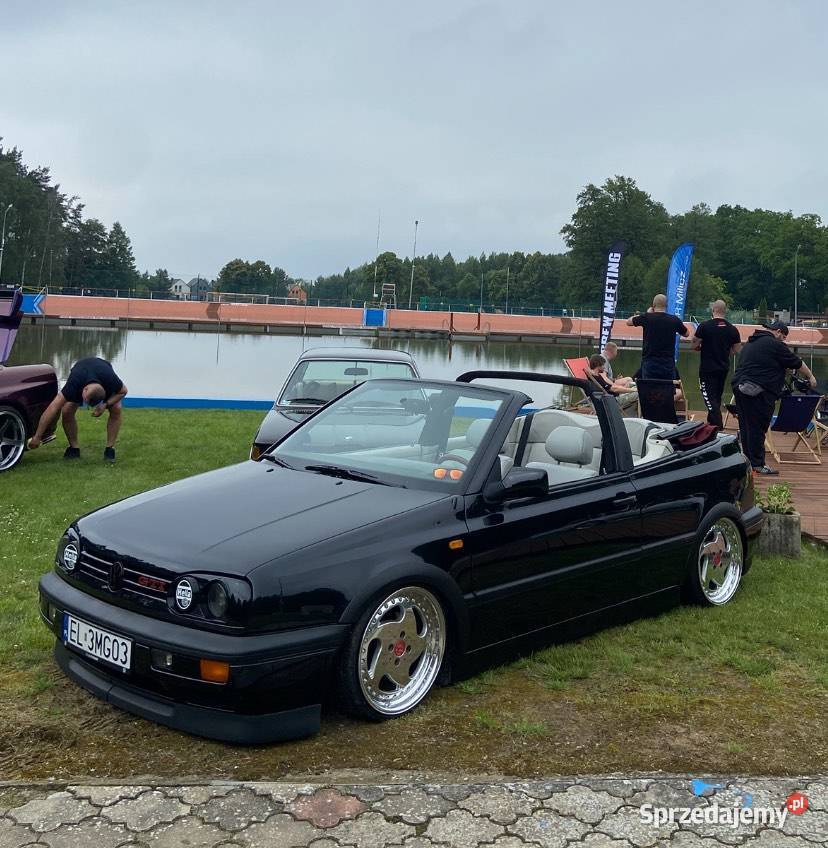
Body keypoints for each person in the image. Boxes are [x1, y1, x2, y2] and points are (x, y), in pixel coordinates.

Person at [732, 321, 816, 475]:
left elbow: (767, 363)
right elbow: (797, 362)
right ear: (777, 332)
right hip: (757, 391)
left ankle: (747, 462)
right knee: (758, 428)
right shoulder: (775, 344)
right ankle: (758, 464)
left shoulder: (752, 342)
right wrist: (810, 376)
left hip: (740, 387)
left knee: (746, 427)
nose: (783, 340)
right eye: (783, 337)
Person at [28, 357, 128, 462]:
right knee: (67, 411)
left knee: (116, 409)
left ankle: (110, 449)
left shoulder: (110, 380)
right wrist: (37, 437)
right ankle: (74, 448)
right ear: (84, 390)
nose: (84, 404)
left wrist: (105, 405)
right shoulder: (74, 383)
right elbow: (53, 407)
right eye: (85, 401)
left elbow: (123, 391)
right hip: (81, 370)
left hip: (102, 372)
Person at [692, 299, 742, 429]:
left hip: (707, 368)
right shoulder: (732, 329)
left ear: (713, 310)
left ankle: (718, 426)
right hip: (723, 368)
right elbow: (737, 350)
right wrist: (725, 350)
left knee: (708, 398)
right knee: (716, 397)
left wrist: (701, 347)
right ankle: (711, 425)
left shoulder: (704, 326)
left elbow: (694, 344)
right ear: (725, 311)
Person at [626, 294, 689, 379]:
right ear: (666, 305)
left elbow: (628, 322)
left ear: (653, 305)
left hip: (649, 363)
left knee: (649, 389)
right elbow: (687, 334)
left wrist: (647, 313)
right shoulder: (674, 320)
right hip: (668, 364)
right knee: (667, 389)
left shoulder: (647, 318)